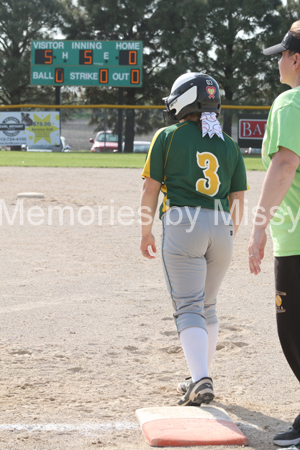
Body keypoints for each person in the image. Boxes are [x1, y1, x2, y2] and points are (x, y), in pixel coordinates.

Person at [140, 72, 247, 406]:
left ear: (184, 100)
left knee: (188, 307)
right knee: (207, 305)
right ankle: (199, 373)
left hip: (183, 222)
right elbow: (239, 198)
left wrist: (145, 230)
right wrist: (229, 232)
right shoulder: (228, 143)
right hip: (222, 226)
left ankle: (200, 378)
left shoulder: (168, 136)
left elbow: (150, 188)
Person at [248, 21, 300, 447]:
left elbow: (284, 166)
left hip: (298, 244)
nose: (278, 62)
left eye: (282, 54)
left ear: (297, 60)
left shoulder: (290, 102)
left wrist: (259, 227)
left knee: (295, 333)